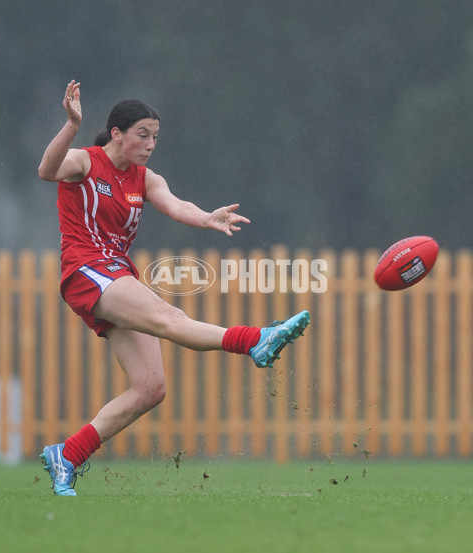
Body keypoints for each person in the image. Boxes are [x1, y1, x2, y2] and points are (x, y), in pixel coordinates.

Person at [37, 80, 310, 496]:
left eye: (155, 138)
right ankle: (255, 340)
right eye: (142, 135)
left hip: (115, 273)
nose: (149, 145)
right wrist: (71, 124)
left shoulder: (145, 179)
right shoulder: (85, 162)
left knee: (150, 388)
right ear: (117, 134)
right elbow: (46, 170)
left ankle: (68, 455)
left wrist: (207, 218)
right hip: (87, 270)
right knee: (169, 318)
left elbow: (176, 204)